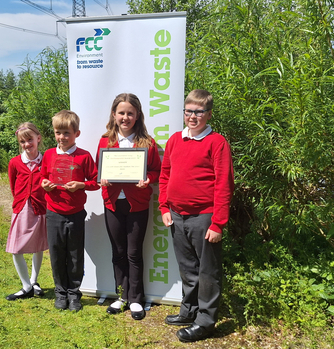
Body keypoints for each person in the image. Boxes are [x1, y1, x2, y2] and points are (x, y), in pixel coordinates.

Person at [159, 89, 234, 342]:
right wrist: (164, 207)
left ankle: (205, 321)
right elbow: (165, 175)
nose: (193, 116)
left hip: (205, 216)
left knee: (207, 272)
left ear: (209, 114)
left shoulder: (217, 142)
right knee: (188, 269)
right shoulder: (174, 140)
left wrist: (218, 222)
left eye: (199, 112)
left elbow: (224, 184)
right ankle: (189, 311)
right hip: (177, 216)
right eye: (188, 111)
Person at [97, 93, 161, 320]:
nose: (125, 117)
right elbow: (99, 169)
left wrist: (148, 179)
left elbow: (156, 170)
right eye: (121, 113)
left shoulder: (148, 142)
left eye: (130, 113)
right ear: (114, 115)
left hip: (138, 204)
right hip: (112, 203)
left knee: (134, 253)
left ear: (138, 115)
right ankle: (121, 296)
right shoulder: (105, 140)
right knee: (118, 252)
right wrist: (101, 177)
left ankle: (136, 299)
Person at [40, 110, 99, 312]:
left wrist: (80, 185)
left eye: (66, 133)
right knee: (56, 254)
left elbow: (95, 182)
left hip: (75, 212)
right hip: (53, 212)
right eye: (58, 132)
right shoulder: (48, 154)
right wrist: (45, 184)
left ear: (77, 134)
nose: (62, 137)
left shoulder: (84, 156)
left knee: (74, 255)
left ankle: (74, 294)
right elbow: (42, 177)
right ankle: (60, 293)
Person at [5, 122, 48, 301]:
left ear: (38, 139)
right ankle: (26, 285)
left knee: (38, 246)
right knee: (16, 248)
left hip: (41, 207)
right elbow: (13, 185)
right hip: (22, 207)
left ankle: (33, 280)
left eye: (30, 140)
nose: (26, 144)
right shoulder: (15, 162)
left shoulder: (47, 160)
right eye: (22, 142)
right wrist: (21, 202)